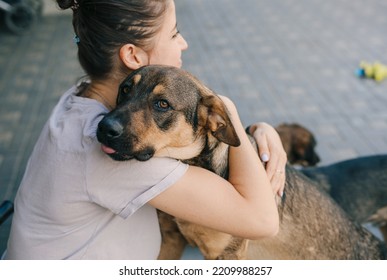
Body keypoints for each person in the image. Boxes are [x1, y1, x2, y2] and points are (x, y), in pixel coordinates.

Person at [4, 0, 286, 259]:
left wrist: (260, 131)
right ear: (133, 56)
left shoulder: (82, 100)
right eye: (174, 34)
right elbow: (263, 221)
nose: (184, 44)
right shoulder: (117, 154)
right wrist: (228, 108)